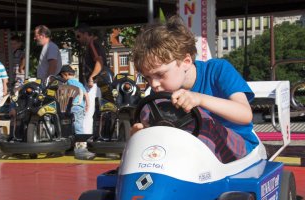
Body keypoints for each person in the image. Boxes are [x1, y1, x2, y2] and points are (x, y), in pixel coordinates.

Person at [131, 15, 259, 164]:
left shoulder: (218, 70)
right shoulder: (160, 93)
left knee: (202, 120)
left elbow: (245, 114)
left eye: (160, 74)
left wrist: (199, 99)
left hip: (237, 148)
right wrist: (141, 134)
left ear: (186, 62)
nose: (153, 84)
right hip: (189, 153)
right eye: (147, 78)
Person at [74, 23, 109, 135]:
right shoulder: (95, 44)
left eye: (78, 36)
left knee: (87, 110)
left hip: (95, 83)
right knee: (98, 110)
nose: (77, 39)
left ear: (85, 34)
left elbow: (99, 62)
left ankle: (85, 138)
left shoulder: (93, 44)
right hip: (100, 82)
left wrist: (92, 77)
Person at [59, 64, 95, 160]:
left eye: (62, 76)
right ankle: (78, 144)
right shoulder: (79, 83)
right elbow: (85, 94)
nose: (62, 78)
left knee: (76, 125)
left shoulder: (69, 82)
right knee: (78, 124)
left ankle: (81, 145)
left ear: (66, 74)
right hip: (81, 106)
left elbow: (67, 94)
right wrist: (87, 105)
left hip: (74, 106)